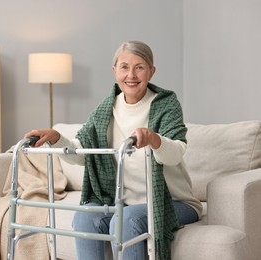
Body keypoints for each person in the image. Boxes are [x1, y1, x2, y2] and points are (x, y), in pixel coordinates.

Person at [25, 40, 202, 260]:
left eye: (139, 67)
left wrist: (154, 139)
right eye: (124, 67)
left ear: (151, 71)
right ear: (114, 71)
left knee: (128, 218)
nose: (131, 75)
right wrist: (57, 139)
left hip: (175, 202)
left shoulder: (166, 104)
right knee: (85, 217)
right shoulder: (105, 109)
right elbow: (83, 154)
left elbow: (175, 154)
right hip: (123, 200)